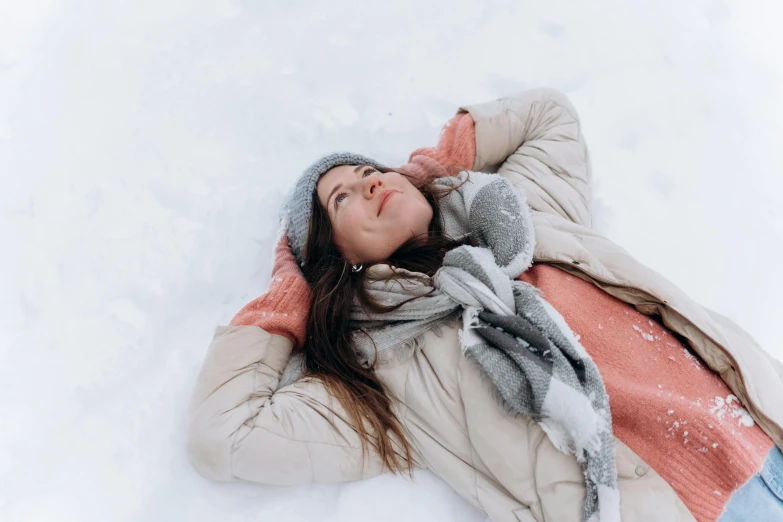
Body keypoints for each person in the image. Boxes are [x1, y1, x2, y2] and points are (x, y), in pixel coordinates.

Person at [186, 88, 783, 522]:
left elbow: (549, 117)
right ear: (335, 260)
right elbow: (224, 437)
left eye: (372, 171)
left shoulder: (518, 220)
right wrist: (291, 291)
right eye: (343, 198)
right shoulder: (390, 381)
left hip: (767, 436)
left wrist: (430, 169)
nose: (370, 182)